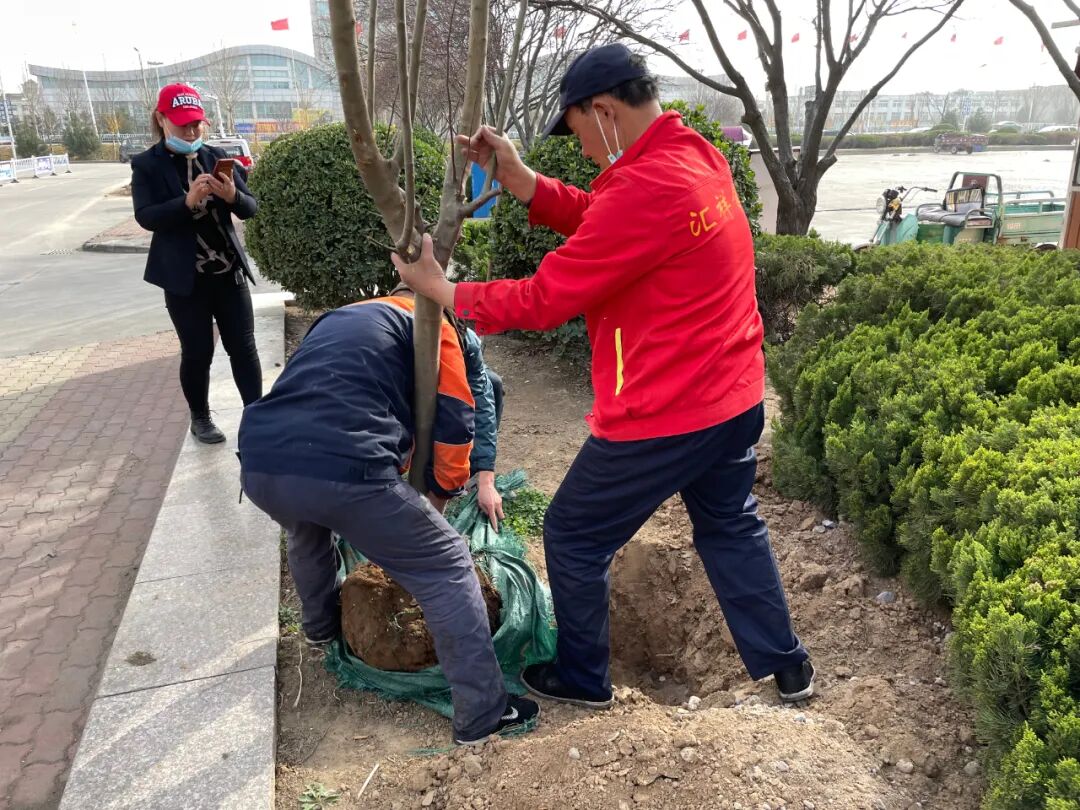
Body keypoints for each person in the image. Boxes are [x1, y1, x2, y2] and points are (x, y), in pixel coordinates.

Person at [393, 43, 815, 710]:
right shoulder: (693, 157)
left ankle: (584, 679)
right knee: (731, 526)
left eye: (579, 129)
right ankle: (789, 666)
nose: (582, 146)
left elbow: (542, 299)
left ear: (605, 110)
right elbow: (611, 221)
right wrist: (525, 181)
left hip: (665, 412)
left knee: (573, 533)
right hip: (734, 397)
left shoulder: (644, 186)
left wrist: (445, 290)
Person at [237, 292, 539, 745]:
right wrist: (438, 502)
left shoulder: (343, 317)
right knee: (447, 564)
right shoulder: (439, 327)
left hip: (262, 461)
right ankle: (484, 715)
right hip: (346, 469)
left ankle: (320, 628)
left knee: (307, 533)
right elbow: (457, 422)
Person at [131, 83, 262, 444]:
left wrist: (232, 194)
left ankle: (257, 415)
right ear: (162, 120)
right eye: (182, 125)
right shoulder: (147, 165)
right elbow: (145, 216)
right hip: (185, 280)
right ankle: (201, 418)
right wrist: (186, 202)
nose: (191, 132)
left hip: (227, 272)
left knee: (243, 347)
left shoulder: (216, 155)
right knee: (198, 351)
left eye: (196, 125)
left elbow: (250, 208)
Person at [391, 283, 506, 530]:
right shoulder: (391, 338)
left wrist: (485, 477)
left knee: (492, 383)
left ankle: (468, 471)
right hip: (402, 400)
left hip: (445, 398)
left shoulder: (463, 340)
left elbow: (478, 403)